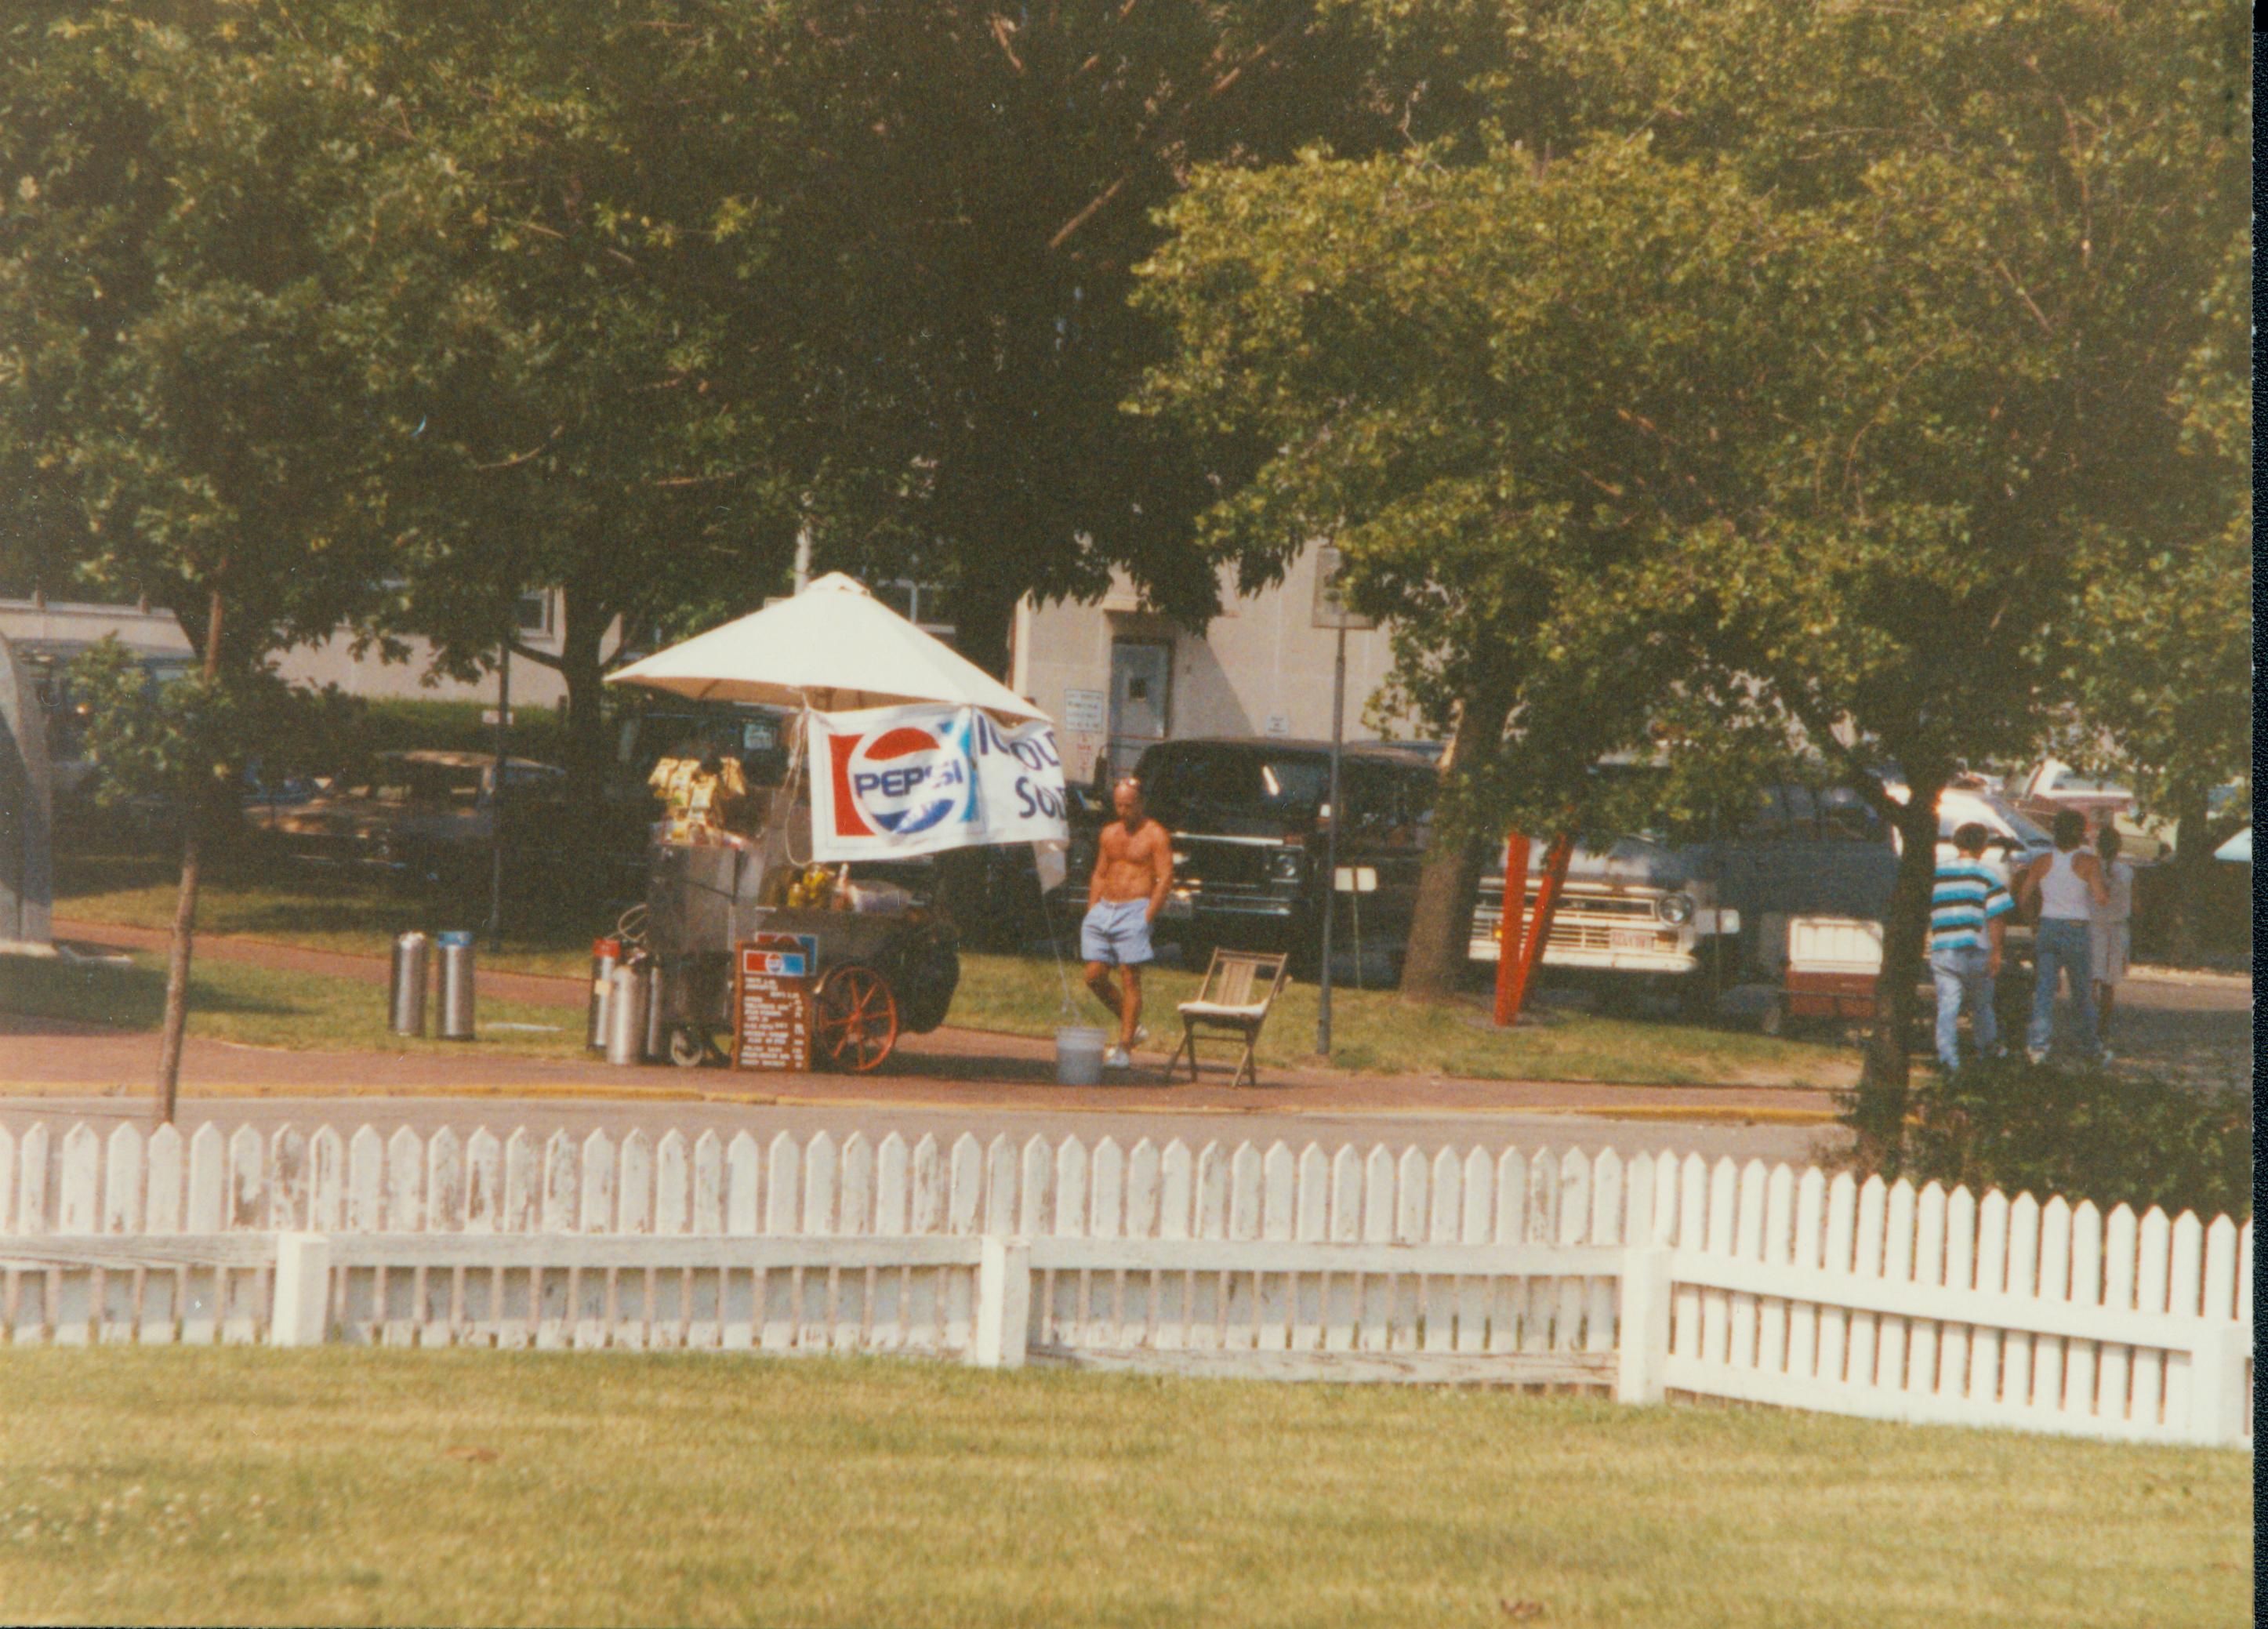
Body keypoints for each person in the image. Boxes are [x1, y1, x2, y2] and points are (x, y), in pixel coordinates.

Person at [1082, 776, 1174, 1069]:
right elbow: (1099, 873)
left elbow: (1165, 878)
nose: (1124, 811)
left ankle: (1123, 1048)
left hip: (1135, 909)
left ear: (1141, 803)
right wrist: (1092, 910)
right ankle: (1133, 1027)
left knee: (1129, 977)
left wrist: (1147, 916)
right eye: (1119, 805)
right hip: (1105, 908)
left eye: (1129, 806)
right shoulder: (1109, 833)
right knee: (1094, 975)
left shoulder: (1155, 835)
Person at [2017, 808, 2111, 1063]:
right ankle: (2089, 1046)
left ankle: (2037, 1046)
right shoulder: (2088, 862)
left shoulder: (2041, 862)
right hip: (2076, 927)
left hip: (2048, 925)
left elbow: (2023, 896)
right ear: (2081, 834)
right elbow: (2102, 899)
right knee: (2081, 992)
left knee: (2045, 988)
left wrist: (2033, 921)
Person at [1929, 822, 2015, 1072]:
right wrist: (1997, 953)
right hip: (1977, 948)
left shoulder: (1938, 873)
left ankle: (1948, 1059)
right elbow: (1997, 917)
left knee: (1948, 1006)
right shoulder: (1986, 875)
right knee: (1982, 1006)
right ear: (1983, 846)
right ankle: (1987, 1052)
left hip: (1944, 948)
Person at [2089, 825, 2135, 1049]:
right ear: (2119, 847)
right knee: (2109, 983)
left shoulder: (2090, 869)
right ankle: (2102, 1028)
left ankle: (2088, 1024)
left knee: (2091, 979)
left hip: (2093, 928)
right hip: (2117, 929)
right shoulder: (2127, 872)